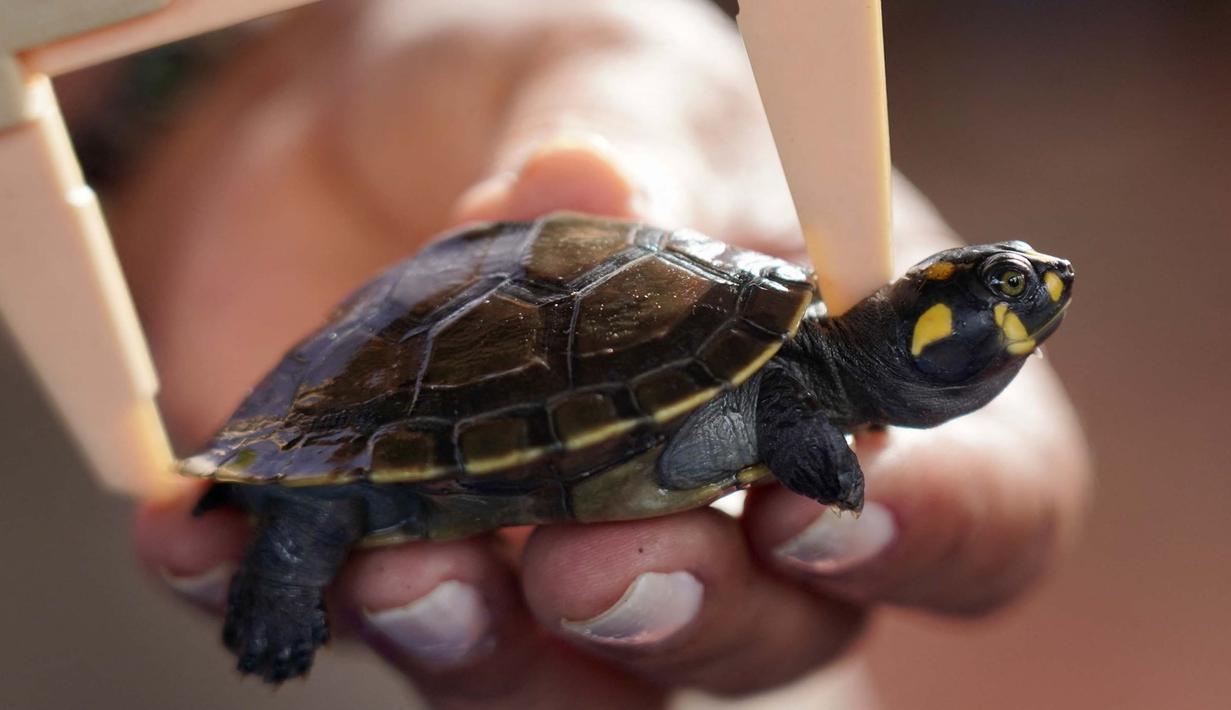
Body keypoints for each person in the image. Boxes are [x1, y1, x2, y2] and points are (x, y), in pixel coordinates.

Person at [114, 0, 1090, 706]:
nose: (1041, 280)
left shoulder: (793, 342)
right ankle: (286, 543)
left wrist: (235, 79)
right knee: (326, 509)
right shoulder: (781, 352)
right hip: (365, 399)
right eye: (1000, 284)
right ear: (912, 311)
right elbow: (780, 404)